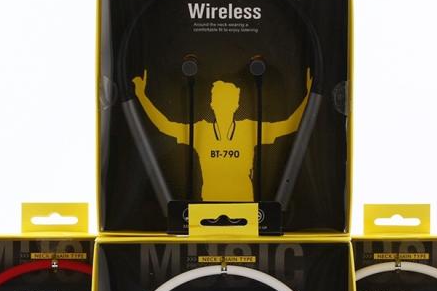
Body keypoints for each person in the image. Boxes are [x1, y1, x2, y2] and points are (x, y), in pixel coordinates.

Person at [132, 69, 311, 201]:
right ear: (212, 104)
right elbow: (164, 126)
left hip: (245, 206)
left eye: (228, 101)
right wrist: (141, 95)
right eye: (219, 101)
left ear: (236, 105)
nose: (223, 106)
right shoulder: (201, 130)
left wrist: (310, 95)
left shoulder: (249, 128)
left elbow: (290, 125)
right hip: (208, 206)